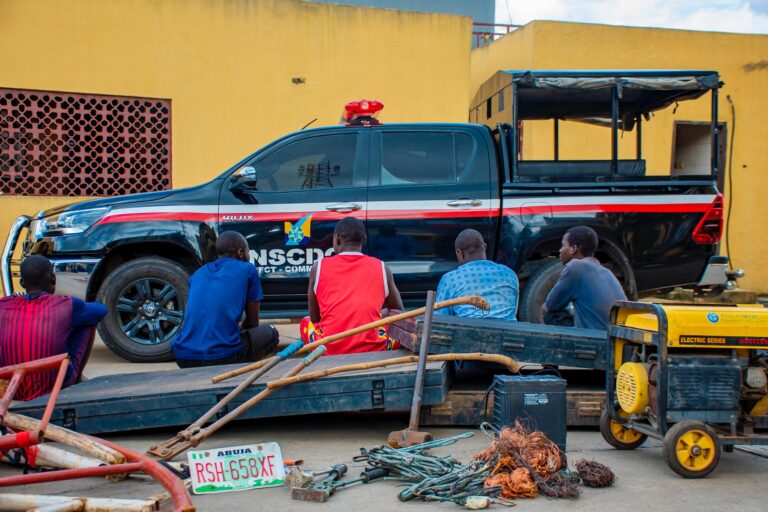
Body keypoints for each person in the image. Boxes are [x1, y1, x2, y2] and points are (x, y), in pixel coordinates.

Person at [0, 255, 107, 400]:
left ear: (22, 283)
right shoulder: (66, 305)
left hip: (13, 390)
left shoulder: (4, 305)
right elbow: (101, 310)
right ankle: (75, 379)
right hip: (53, 387)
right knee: (87, 321)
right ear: (53, 279)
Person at [172, 231, 279, 368]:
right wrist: (239, 329)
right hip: (223, 356)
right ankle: (242, 372)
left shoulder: (199, 273)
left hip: (183, 357)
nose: (248, 256)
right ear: (240, 253)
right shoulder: (247, 269)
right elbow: (253, 322)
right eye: (248, 252)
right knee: (272, 332)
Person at [301, 217, 404, 355]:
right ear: (364, 240)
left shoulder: (318, 267)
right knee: (396, 327)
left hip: (328, 350)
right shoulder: (381, 267)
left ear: (336, 239)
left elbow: (314, 317)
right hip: (374, 348)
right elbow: (398, 312)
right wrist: (379, 315)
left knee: (305, 322)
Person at [540, 226, 627, 330]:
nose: (560, 250)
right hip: (616, 335)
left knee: (547, 313)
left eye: (563, 245)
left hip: (596, 337)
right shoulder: (607, 272)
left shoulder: (576, 267)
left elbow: (549, 307)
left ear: (573, 249)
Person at [435, 229, 519, 321]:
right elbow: (512, 311)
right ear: (485, 247)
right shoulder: (510, 274)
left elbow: (440, 319)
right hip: (508, 329)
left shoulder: (450, 279)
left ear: (460, 253)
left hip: (467, 329)